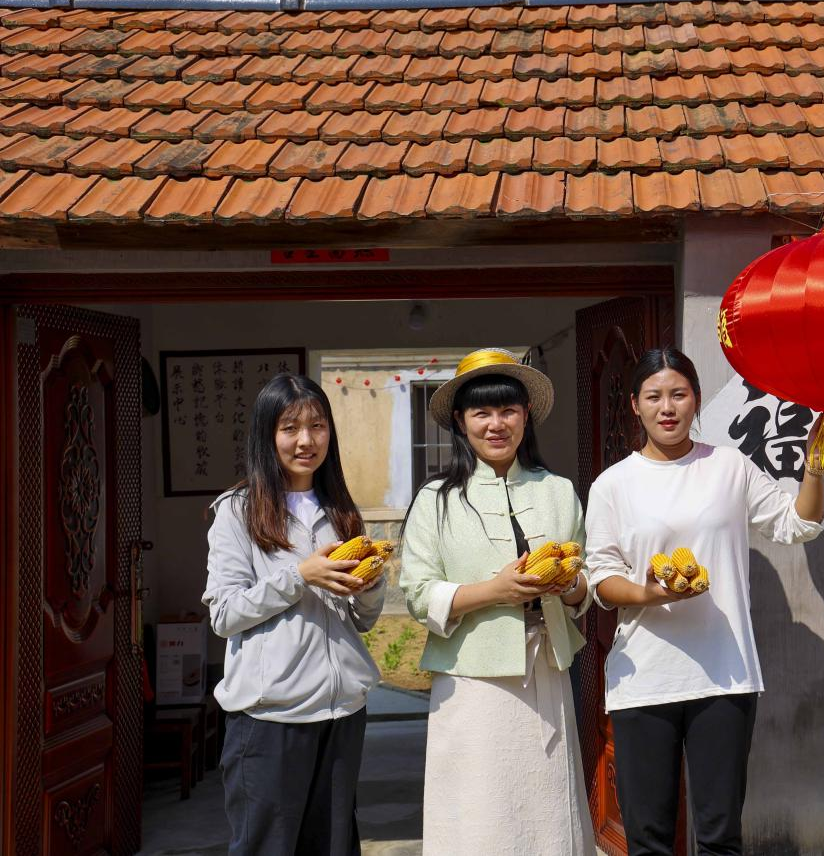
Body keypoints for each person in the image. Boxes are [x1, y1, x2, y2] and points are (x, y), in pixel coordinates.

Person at [586, 347, 824, 856]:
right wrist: (649, 594)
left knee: (720, 837)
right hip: (644, 677)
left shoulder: (729, 467)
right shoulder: (613, 484)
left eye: (678, 394)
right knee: (649, 840)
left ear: (696, 400)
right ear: (634, 404)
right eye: (654, 396)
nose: (667, 407)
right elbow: (602, 579)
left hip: (725, 674)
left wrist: (814, 469)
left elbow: (797, 525)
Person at [398, 348, 595, 856]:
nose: (496, 424)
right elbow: (417, 593)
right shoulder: (435, 500)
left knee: (548, 809)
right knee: (480, 811)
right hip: (472, 680)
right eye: (481, 412)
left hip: (546, 669)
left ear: (526, 417)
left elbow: (585, 585)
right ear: (460, 422)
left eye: (508, 411)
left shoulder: (558, 491)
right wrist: (495, 592)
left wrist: (568, 585)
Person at [203, 372, 385, 856]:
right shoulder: (237, 511)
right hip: (271, 718)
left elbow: (361, 620)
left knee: (334, 847)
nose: (306, 440)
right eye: (290, 427)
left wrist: (371, 584)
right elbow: (224, 613)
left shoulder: (340, 509)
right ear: (267, 434)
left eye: (317, 425)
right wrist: (299, 576)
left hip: (343, 712)